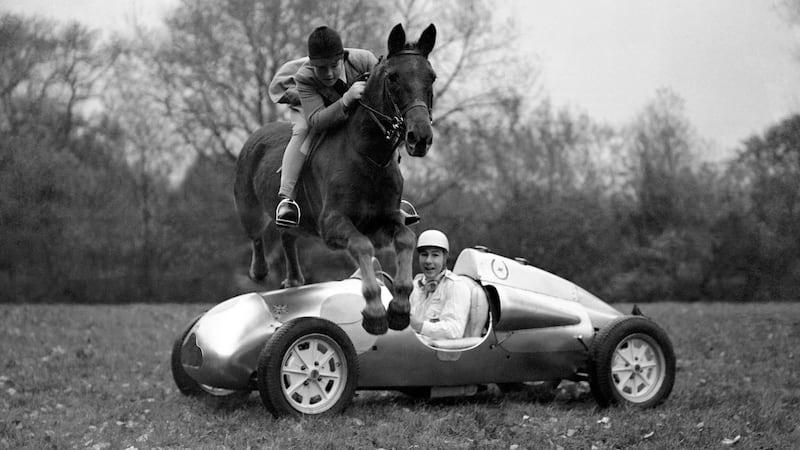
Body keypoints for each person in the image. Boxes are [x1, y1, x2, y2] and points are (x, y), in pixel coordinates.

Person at [268, 26, 421, 228]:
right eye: (321, 68)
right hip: (311, 109)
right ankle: (287, 199)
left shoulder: (365, 60)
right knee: (303, 130)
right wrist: (346, 100)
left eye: (334, 65)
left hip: (355, 110)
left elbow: (386, 92)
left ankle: (393, 200)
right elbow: (318, 121)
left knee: (384, 133)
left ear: (343, 57)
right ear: (312, 64)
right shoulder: (305, 78)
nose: (329, 73)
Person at [409, 230, 472, 340]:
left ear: (445, 257)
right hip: (408, 348)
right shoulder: (414, 286)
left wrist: (419, 326)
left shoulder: (455, 286)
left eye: (435, 255)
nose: (428, 261)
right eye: (424, 255)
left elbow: (455, 330)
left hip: (437, 353)